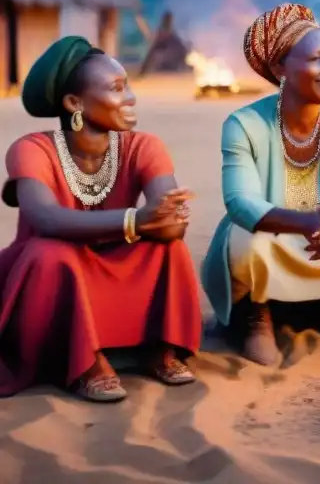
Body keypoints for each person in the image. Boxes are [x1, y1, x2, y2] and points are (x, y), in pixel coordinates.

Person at [0, 36, 201, 402]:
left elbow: (168, 222)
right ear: (75, 103)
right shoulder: (31, 150)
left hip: (116, 260)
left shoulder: (145, 146)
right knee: (50, 254)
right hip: (52, 272)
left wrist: (170, 219)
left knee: (168, 249)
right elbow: (45, 218)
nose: (131, 98)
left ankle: (156, 348)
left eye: (128, 87)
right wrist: (136, 221)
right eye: (117, 89)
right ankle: (83, 361)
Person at [201, 4, 320, 366]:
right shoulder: (243, 124)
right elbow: (241, 203)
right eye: (316, 59)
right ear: (280, 69)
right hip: (278, 236)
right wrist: (308, 224)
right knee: (245, 237)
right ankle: (258, 313)